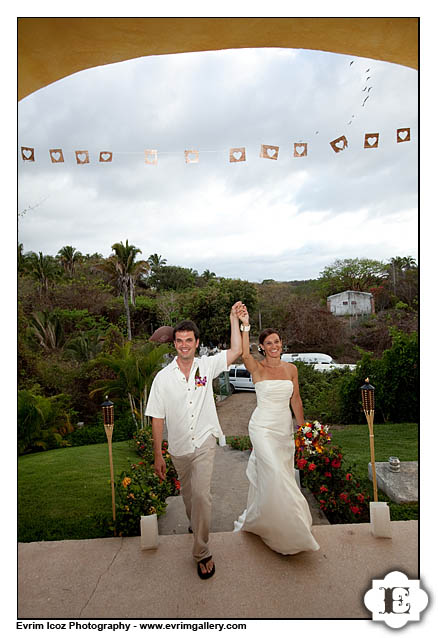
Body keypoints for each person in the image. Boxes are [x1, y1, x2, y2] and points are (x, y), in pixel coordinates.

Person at [145, 302, 243, 579]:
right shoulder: (162, 379)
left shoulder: (207, 366)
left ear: (197, 343)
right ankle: (194, 522)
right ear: (173, 344)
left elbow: (236, 351)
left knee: (201, 495)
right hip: (178, 448)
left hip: (203, 441)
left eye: (189, 340)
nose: (184, 345)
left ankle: (201, 551)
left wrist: (233, 319)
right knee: (189, 497)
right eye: (179, 341)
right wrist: (158, 454)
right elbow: (156, 418)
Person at [233, 305, 320, 555]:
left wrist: (302, 429)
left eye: (277, 342)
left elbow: (296, 401)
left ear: (282, 344)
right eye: (269, 343)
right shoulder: (257, 368)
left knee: (282, 474)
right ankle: (288, 533)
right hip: (261, 428)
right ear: (262, 347)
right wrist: (245, 325)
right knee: (275, 474)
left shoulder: (291, 369)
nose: (274, 346)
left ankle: (271, 520)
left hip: (283, 430)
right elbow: (243, 353)